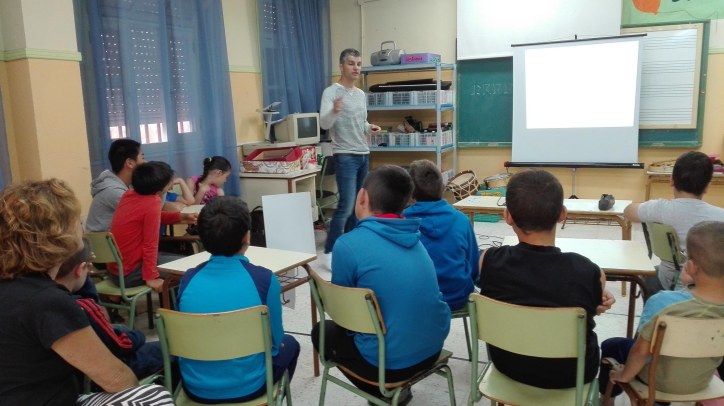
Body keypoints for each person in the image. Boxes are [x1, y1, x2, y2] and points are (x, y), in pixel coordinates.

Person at [0, 179, 173, 405]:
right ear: (59, 235)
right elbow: (116, 379)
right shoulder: (46, 301)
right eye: (77, 222)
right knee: (154, 395)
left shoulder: (15, 285)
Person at [311, 165, 451, 404]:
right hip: (432, 350)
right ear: (405, 203)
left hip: (389, 366)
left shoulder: (348, 245)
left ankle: (380, 395)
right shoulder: (416, 240)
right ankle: (398, 390)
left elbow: (343, 315)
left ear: (362, 197)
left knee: (322, 331)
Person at [477, 169, 615, 389]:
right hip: (572, 374)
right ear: (562, 214)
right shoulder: (589, 271)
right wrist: (595, 301)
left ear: (507, 216)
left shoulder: (488, 260)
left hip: (508, 365)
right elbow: (586, 311)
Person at [176, 196, 300, 403]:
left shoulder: (187, 280)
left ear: (202, 238)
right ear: (247, 236)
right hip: (250, 387)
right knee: (291, 344)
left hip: (196, 387)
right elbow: (275, 342)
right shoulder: (265, 280)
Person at [599, 221, 724, 401]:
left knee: (611, 345)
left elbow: (641, 351)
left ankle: (607, 400)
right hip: (701, 381)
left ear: (691, 266)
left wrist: (624, 376)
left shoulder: (663, 302)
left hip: (656, 381)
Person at [55, 237, 163, 379]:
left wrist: (83, 270)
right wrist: (140, 336)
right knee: (167, 348)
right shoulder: (85, 307)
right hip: (107, 368)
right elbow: (120, 345)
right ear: (81, 269)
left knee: (120, 328)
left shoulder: (46, 295)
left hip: (78, 365)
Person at [624, 151, 724, 293]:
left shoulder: (659, 208)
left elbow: (628, 211)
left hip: (667, 281)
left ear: (672, 180)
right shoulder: (720, 216)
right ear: (707, 186)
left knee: (650, 275)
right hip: (709, 287)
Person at [319, 48, 382, 264]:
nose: (356, 68)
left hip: (363, 154)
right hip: (344, 155)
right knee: (346, 206)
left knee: (359, 206)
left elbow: (361, 122)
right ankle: (329, 252)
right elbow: (324, 123)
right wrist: (334, 111)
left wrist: (369, 127)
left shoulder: (361, 95)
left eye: (358, 64)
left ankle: (351, 249)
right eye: (351, 63)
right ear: (341, 66)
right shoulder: (331, 92)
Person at [403, 159, 479, 311]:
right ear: (443, 187)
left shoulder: (402, 221)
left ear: (411, 193)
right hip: (458, 297)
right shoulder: (461, 220)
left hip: (416, 299)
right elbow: (474, 269)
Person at [109, 161, 189, 293]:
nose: (171, 185)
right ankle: (176, 304)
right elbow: (150, 244)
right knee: (187, 267)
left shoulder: (129, 195)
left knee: (174, 257)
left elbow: (149, 217)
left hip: (116, 272)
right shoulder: (152, 203)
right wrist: (151, 277)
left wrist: (180, 217)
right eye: (169, 182)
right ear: (159, 189)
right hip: (130, 274)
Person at [85, 139, 145, 232]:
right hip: (106, 241)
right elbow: (146, 216)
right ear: (130, 163)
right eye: (142, 158)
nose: (145, 162)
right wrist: (162, 186)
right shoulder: (114, 192)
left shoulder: (127, 185)